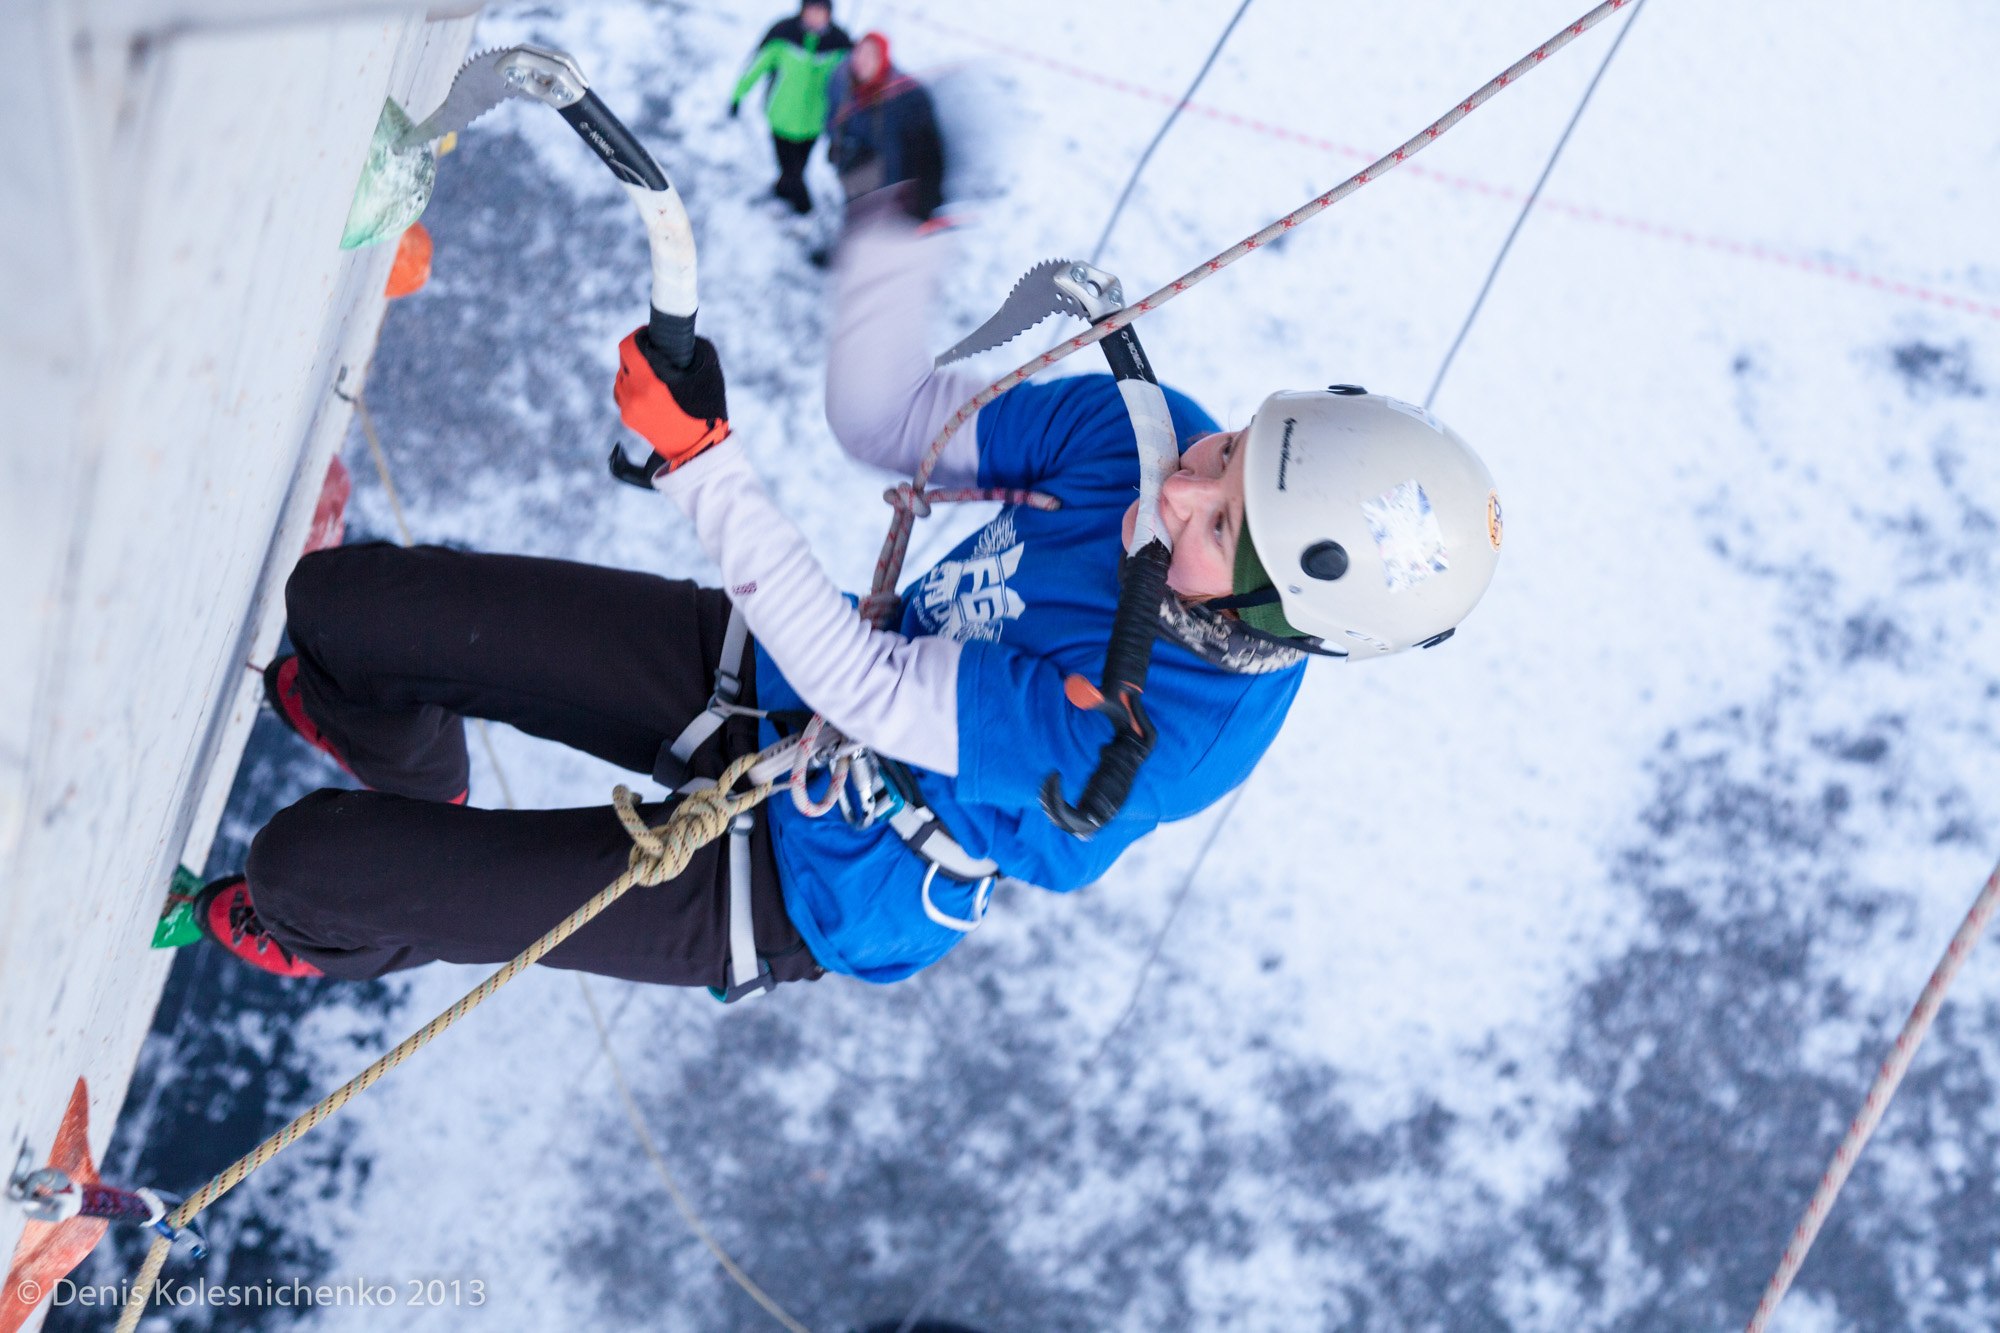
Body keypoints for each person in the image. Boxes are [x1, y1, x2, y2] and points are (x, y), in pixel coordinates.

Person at [193, 202, 1504, 994]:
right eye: (1224, 455)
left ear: (1279, 621)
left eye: (1222, 529)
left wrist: (703, 464)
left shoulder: (1145, 735)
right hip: (783, 684)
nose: (1183, 491)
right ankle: (402, 772)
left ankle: (346, 919)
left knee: (304, 868)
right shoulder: (1152, 443)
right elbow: (896, 426)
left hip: (813, 875)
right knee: (340, 612)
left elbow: (872, 692)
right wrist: (892, 229)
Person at [730, 1, 852, 215]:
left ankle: (782, 189)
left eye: (820, 11)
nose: (815, 16)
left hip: (813, 123)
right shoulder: (783, 36)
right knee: (790, 167)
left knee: (799, 166)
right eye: (811, 10)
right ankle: (803, 205)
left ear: (829, 14)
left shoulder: (839, 45)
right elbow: (756, 67)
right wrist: (738, 96)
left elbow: (850, 81)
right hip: (781, 118)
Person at [825, 32, 946, 226]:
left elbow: (928, 155)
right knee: (858, 220)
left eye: (870, 56)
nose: (862, 61)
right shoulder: (841, 81)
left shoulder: (906, 97)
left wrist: (925, 202)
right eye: (859, 53)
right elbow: (831, 117)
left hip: (894, 184)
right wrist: (838, 144)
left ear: (883, 59)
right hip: (855, 174)